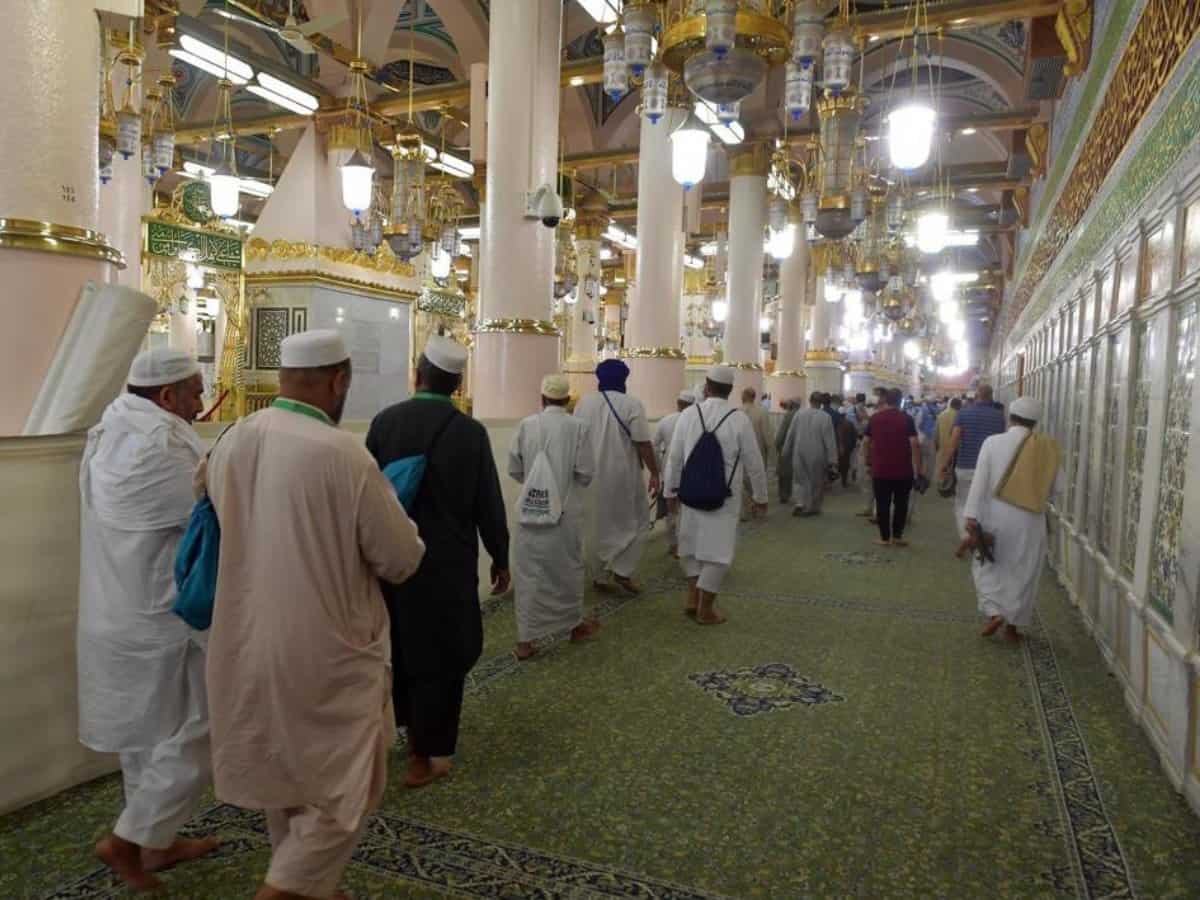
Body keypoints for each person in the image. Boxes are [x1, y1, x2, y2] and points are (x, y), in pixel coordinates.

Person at [205, 331, 426, 900]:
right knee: (345, 785)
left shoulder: (233, 438)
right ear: (339, 380)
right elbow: (399, 558)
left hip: (246, 637)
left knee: (288, 770)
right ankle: (285, 889)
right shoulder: (341, 452)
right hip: (326, 646)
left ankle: (312, 888)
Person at [77, 348, 217, 891]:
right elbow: (210, 512)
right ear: (167, 397)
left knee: (145, 736)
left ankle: (154, 845)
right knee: (200, 728)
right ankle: (129, 839)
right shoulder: (161, 445)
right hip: (161, 619)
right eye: (196, 392)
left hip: (115, 610)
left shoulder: (110, 430)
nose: (201, 404)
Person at [367, 335, 509, 788]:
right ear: (457, 384)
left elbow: (365, 497)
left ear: (417, 374)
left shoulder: (384, 423)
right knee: (446, 654)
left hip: (393, 560)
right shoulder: (469, 432)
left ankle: (410, 742)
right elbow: (487, 501)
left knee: (402, 647)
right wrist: (501, 555)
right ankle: (431, 752)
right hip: (448, 563)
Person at [665, 365, 768, 624]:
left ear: (707, 386)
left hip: (690, 494)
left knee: (689, 548)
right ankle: (705, 609)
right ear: (730, 391)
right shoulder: (738, 419)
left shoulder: (688, 415)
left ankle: (692, 597)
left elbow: (675, 458)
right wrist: (761, 497)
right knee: (718, 553)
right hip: (725, 499)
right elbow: (754, 463)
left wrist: (670, 491)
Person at [508, 374, 597, 661]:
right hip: (565, 515)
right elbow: (585, 474)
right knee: (567, 569)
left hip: (531, 513)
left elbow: (515, 469)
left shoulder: (527, 425)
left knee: (529, 574)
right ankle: (573, 626)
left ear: (542, 398)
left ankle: (525, 641)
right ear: (567, 400)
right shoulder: (578, 427)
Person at [964, 396, 1062, 642]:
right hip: (1031, 520)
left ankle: (994, 611)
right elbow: (1059, 486)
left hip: (995, 515)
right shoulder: (1046, 447)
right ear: (1035, 422)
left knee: (988, 565)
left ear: (1011, 417)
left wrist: (971, 515)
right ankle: (1012, 626)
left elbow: (980, 481)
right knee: (1025, 570)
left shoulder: (992, 442)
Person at [574, 359, 660, 594]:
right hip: (623, 476)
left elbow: (576, 438)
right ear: (624, 378)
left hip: (589, 476)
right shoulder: (632, 404)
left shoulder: (584, 403)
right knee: (638, 521)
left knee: (595, 526)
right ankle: (622, 571)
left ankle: (599, 575)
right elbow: (643, 443)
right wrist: (655, 471)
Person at [941, 383, 1007, 538]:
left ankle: (966, 537)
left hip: (965, 466)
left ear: (976, 396)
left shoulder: (963, 413)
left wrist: (945, 464)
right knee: (985, 503)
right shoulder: (999, 416)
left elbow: (954, 441)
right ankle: (981, 534)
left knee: (963, 502)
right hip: (991, 469)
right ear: (991, 396)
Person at [862, 388, 923, 547]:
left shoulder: (875, 418)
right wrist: (918, 468)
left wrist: (868, 461)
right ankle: (897, 536)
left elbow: (866, 442)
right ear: (900, 401)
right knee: (901, 504)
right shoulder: (907, 419)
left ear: (885, 401)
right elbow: (915, 444)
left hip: (880, 469)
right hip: (903, 470)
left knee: (882, 503)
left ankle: (884, 538)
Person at [782, 391, 838, 517]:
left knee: (799, 479)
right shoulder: (825, 417)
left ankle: (800, 504)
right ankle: (813, 507)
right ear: (821, 402)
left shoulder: (799, 414)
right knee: (816, 481)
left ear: (809, 400)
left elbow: (790, 434)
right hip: (817, 453)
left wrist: (785, 451)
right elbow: (829, 440)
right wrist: (833, 461)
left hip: (799, 451)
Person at [653, 389, 694, 556]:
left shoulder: (665, 421)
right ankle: (686, 545)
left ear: (678, 403)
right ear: (692, 405)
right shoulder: (695, 421)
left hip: (669, 470)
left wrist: (657, 468)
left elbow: (654, 445)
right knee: (687, 511)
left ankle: (673, 545)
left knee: (671, 509)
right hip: (690, 472)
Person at [741, 386, 773, 520]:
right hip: (758, 453)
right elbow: (768, 436)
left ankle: (745, 511)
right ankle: (757, 507)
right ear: (754, 397)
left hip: (740, 454)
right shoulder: (762, 412)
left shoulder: (737, 412)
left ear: (744, 397)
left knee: (742, 483)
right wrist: (772, 453)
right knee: (757, 480)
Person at [774, 397, 800, 504]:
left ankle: (784, 495)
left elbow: (781, 434)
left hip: (786, 448)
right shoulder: (800, 415)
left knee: (784, 474)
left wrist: (776, 445)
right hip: (797, 448)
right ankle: (789, 494)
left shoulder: (789, 415)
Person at [935, 397, 962, 488]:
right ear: (958, 405)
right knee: (952, 466)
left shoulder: (941, 415)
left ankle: (942, 483)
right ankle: (951, 485)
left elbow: (936, 432)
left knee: (943, 465)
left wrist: (936, 444)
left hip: (943, 445)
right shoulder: (959, 415)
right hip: (955, 446)